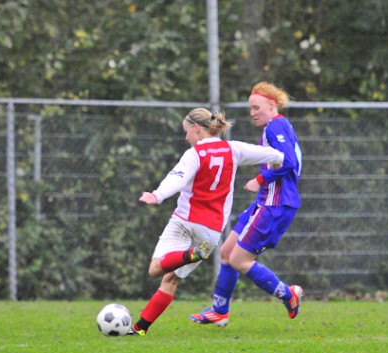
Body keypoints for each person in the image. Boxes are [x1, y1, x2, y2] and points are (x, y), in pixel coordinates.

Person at [128, 107, 284, 336]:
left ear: (196, 128)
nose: (186, 137)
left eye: (187, 132)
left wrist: (157, 195)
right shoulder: (234, 149)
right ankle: (140, 328)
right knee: (170, 279)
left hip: (183, 221)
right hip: (210, 233)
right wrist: (276, 166)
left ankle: (189, 255)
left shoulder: (194, 154)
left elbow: (177, 177)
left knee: (155, 270)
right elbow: (275, 155)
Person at [190, 82, 303, 327]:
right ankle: (219, 311)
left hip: (275, 204)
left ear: (272, 106)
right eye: (250, 108)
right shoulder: (274, 126)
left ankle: (288, 294)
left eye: (256, 107)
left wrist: (259, 179)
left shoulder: (276, 125)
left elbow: (290, 162)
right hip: (266, 202)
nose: (252, 112)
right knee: (227, 252)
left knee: (240, 260)